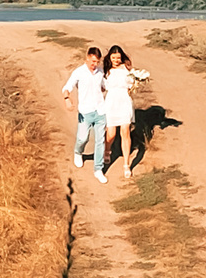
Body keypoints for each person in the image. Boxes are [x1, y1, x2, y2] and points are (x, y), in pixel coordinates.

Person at [102, 43, 152, 174]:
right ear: (110, 58)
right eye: (114, 58)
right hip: (111, 103)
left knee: (125, 132)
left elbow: (130, 86)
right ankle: (107, 150)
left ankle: (126, 164)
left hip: (124, 102)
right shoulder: (106, 71)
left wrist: (136, 82)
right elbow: (103, 87)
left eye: (118, 58)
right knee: (111, 133)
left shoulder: (127, 70)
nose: (116, 61)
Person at [61, 45, 109, 178]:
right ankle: (78, 152)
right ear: (87, 58)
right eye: (92, 61)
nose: (95, 64)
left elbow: (105, 86)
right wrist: (67, 98)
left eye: (97, 62)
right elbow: (67, 86)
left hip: (100, 110)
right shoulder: (79, 72)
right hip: (85, 112)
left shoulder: (100, 72)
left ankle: (98, 169)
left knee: (101, 140)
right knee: (83, 138)